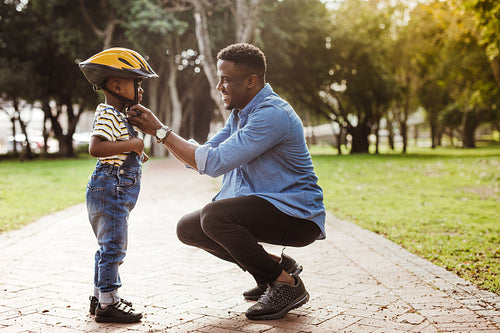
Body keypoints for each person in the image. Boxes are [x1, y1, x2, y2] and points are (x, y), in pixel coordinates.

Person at [128, 43, 326, 321]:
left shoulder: (271, 114)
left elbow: (214, 163)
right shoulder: (239, 115)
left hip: (296, 215)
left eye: (226, 80)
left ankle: (286, 284)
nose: (219, 86)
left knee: (214, 217)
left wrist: (160, 131)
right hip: (268, 208)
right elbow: (202, 156)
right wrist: (159, 133)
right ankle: (278, 267)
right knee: (188, 228)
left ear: (251, 81)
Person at [79, 47, 158, 323]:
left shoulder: (119, 115)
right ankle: (108, 304)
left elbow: (117, 148)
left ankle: (99, 296)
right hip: (110, 187)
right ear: (116, 85)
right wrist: (134, 143)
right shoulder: (108, 113)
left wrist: (135, 150)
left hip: (113, 187)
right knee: (113, 247)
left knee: (107, 246)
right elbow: (97, 148)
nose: (141, 90)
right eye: (137, 83)